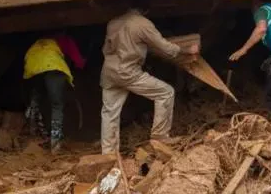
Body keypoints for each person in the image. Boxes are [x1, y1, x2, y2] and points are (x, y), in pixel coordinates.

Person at [100, 8, 199, 155]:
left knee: (109, 113)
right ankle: (159, 137)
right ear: (145, 10)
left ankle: (108, 153)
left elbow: (106, 49)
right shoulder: (142, 23)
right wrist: (188, 50)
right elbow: (165, 48)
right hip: (128, 72)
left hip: (109, 72)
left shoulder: (113, 23)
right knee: (166, 93)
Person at [23, 33, 86, 153]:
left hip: (32, 66)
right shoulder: (65, 39)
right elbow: (79, 62)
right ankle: (55, 145)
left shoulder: (39, 41)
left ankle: (33, 136)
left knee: (35, 100)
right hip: (53, 67)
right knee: (57, 105)